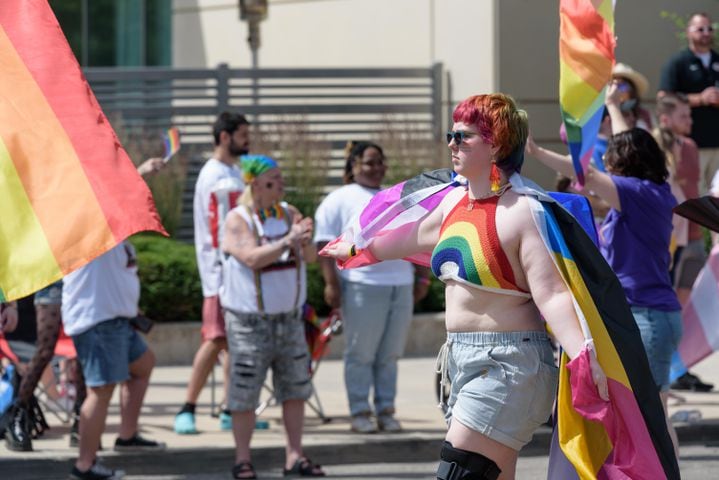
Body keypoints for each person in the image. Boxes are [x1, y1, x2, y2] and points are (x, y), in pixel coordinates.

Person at [322, 94, 609, 479]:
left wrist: (581, 354)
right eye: (451, 135)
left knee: (460, 470)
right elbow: (406, 239)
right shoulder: (452, 202)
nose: (452, 143)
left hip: (512, 366)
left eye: (464, 136)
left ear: (498, 144)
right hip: (461, 361)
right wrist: (356, 247)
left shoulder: (522, 211)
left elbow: (552, 294)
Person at [526, 81, 683, 456]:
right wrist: (612, 104)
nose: (604, 163)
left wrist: (535, 151)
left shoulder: (641, 194)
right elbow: (594, 174)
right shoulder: (641, 196)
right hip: (640, 314)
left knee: (654, 415)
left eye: (611, 158)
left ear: (625, 162)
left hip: (649, 316)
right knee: (639, 414)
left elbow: (587, 176)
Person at [314, 141, 429, 433]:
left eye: (380, 162)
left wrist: (422, 278)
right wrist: (331, 285)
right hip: (362, 286)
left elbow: (414, 238)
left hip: (399, 284)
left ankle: (386, 410)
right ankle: (359, 411)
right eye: (369, 162)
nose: (377, 168)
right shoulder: (339, 199)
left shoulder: (394, 196)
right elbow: (323, 243)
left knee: (389, 354)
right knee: (361, 353)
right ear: (353, 165)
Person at [220, 155, 325, 479]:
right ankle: (242, 459)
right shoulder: (238, 219)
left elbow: (307, 258)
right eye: (272, 181)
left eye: (280, 179)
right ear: (255, 185)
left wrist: (305, 238)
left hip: (289, 318)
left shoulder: (288, 213)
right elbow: (251, 257)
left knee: (295, 387)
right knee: (245, 391)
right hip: (250, 323)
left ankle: (295, 456)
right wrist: (287, 241)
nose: (280, 185)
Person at [64, 158, 167, 480]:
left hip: (117, 322)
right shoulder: (89, 223)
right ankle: (85, 465)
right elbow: (107, 195)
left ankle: (127, 434)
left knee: (143, 365)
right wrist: (142, 171)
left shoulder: (113, 230)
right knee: (102, 390)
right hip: (99, 323)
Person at [175, 111, 250, 435]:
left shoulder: (236, 171)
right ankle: (187, 407)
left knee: (233, 344)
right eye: (243, 134)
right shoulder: (215, 175)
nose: (248, 139)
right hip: (220, 273)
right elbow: (217, 228)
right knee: (216, 338)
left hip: (236, 272)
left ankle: (229, 409)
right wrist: (221, 271)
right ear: (225, 137)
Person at [659, 12, 719, 193]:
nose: (706, 32)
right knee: (695, 199)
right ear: (688, 32)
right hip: (691, 144)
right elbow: (664, 97)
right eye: (700, 29)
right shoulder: (678, 62)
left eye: (709, 28)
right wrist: (701, 99)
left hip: (718, 143)